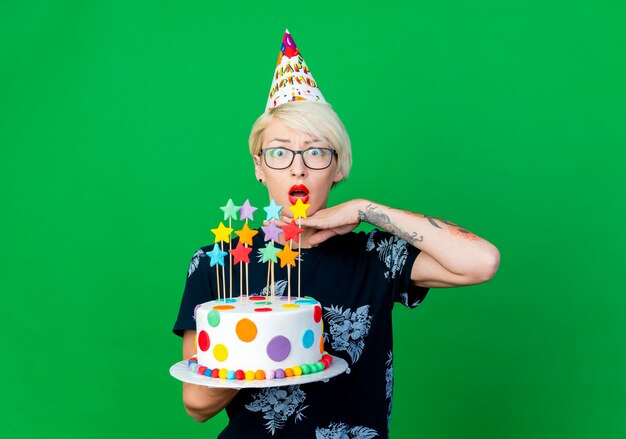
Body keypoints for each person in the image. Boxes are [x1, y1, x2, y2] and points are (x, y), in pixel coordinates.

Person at [173, 31, 500, 438]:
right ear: (259, 166)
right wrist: (260, 340)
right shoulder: (216, 262)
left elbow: (482, 262)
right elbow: (197, 405)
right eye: (279, 152)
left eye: (316, 151)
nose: (298, 168)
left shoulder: (377, 257)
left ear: (338, 167)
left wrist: (367, 210)